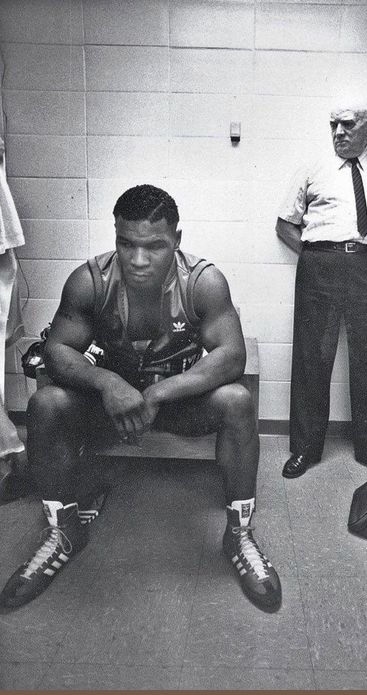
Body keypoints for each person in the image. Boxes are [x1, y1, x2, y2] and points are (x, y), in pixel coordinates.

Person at [0, 185, 281, 613]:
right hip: (110, 408)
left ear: (177, 241)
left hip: (176, 403)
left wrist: (156, 394)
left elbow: (231, 355)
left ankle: (239, 533)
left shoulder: (202, 281)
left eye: (155, 246)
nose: (138, 260)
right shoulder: (90, 280)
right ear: (116, 237)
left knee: (238, 401)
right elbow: (58, 349)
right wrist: (108, 384)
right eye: (127, 244)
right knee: (46, 404)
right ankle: (64, 531)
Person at [277, 98, 367, 479]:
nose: (338, 132)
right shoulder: (313, 169)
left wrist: (358, 253)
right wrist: (323, 254)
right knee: (311, 357)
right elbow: (286, 224)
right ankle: (304, 449)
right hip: (319, 264)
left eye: (348, 125)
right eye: (333, 124)